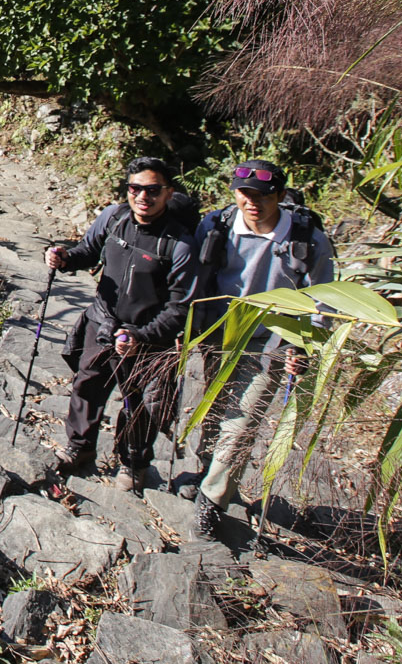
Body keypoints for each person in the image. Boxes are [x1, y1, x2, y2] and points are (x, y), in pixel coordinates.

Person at [186, 160, 335, 539]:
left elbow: (325, 298)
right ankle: (208, 469)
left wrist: (305, 345)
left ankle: (212, 500)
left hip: (273, 342)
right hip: (221, 333)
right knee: (216, 408)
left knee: (243, 421)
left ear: (280, 196)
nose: (252, 203)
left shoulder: (307, 238)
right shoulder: (216, 226)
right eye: (244, 194)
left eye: (263, 195)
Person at [45, 156, 200, 491]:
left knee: (140, 404)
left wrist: (140, 336)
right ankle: (80, 448)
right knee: (87, 385)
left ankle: (133, 463)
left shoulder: (180, 244)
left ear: (168, 193)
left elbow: (180, 307)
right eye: (135, 188)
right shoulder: (114, 218)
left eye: (152, 190)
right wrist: (65, 258)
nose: (142, 196)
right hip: (102, 322)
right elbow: (88, 251)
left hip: (148, 336)